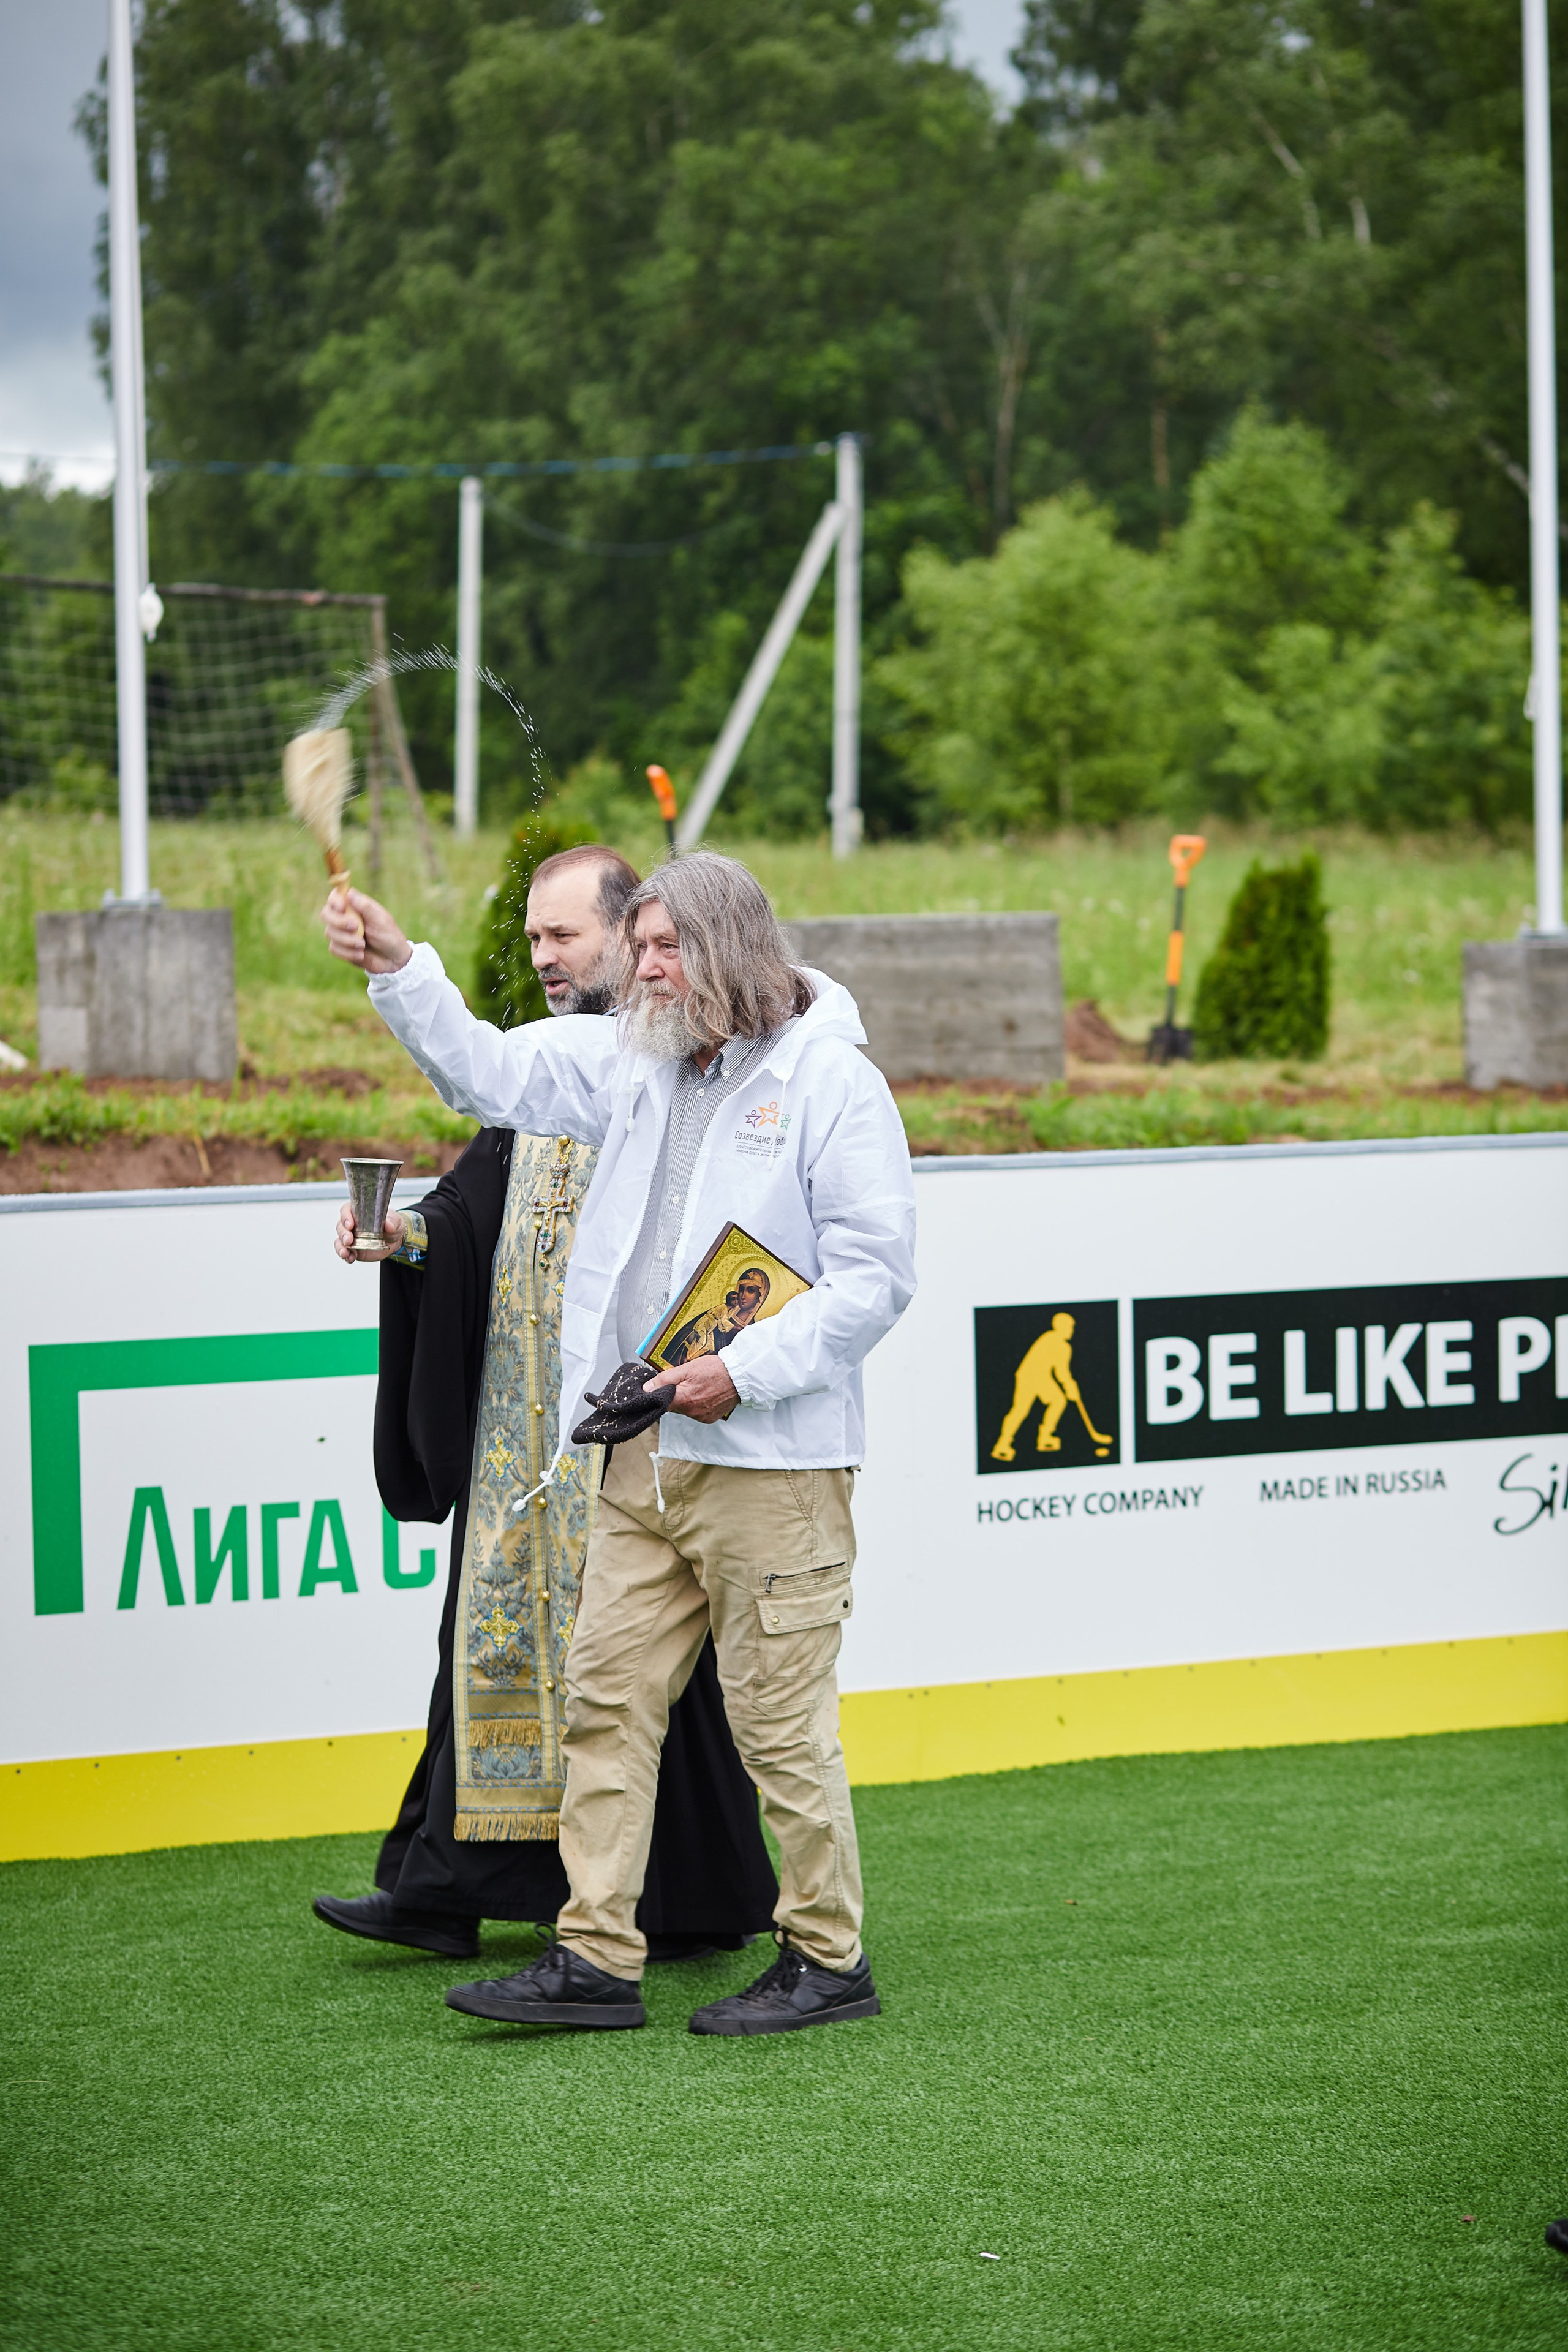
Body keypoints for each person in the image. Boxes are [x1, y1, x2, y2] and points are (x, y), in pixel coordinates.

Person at [322, 848, 916, 2036]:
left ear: (732, 950)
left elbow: (874, 1280)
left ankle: (825, 1958)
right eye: (636, 948)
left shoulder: (830, 1083)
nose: (643, 970)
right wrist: (400, 970)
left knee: (777, 1726)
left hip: (771, 1464)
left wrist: (735, 1373)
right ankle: (595, 1955)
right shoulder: (634, 1058)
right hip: (638, 1450)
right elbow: (490, 1076)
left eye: (665, 949)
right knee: (602, 1699)